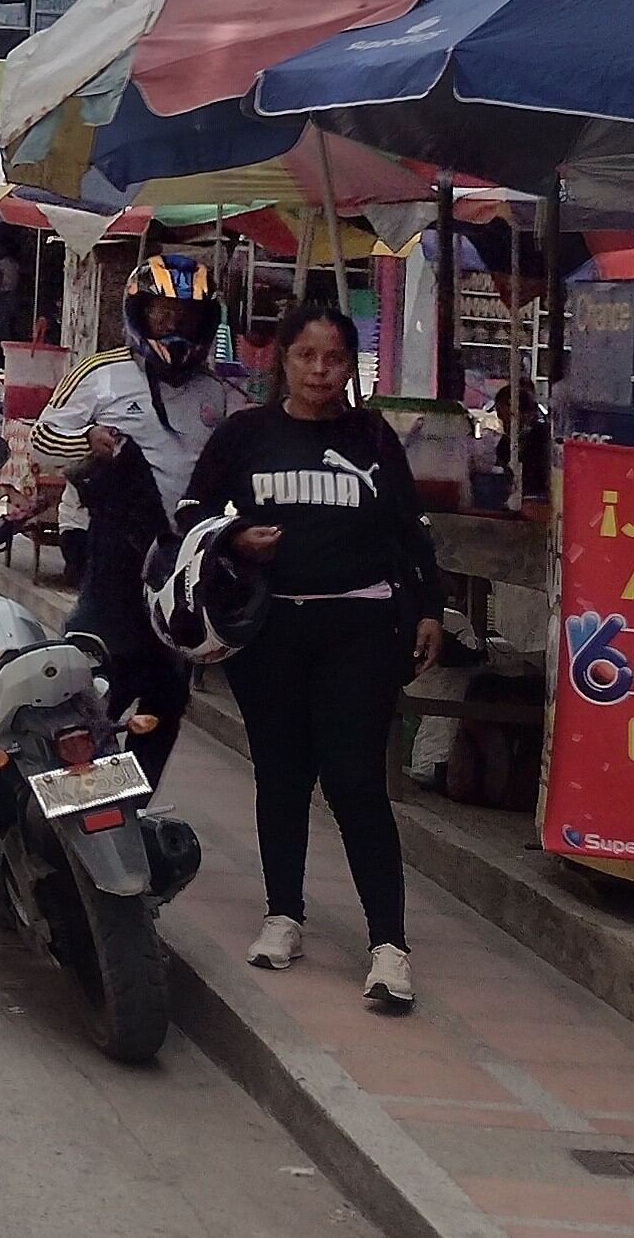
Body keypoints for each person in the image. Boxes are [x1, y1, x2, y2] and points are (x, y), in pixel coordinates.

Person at [187, 304, 443, 1014]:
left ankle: (389, 946)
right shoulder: (245, 435)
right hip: (268, 628)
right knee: (281, 771)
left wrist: (429, 606)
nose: (320, 371)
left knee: (356, 777)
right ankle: (283, 914)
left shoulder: (371, 437)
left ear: (349, 363)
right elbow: (192, 514)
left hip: (360, 625)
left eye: (333, 358)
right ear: (284, 360)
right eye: (306, 356)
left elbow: (410, 530)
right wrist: (236, 540)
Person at [28, 282, 245, 777]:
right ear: (139, 315)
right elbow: (42, 441)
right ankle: (63, 795)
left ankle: (131, 803)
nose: (173, 326)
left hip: (183, 563)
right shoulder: (99, 374)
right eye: (163, 314)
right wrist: (89, 441)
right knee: (96, 678)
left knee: (167, 690)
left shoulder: (219, 392)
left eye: (186, 316)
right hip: (108, 547)